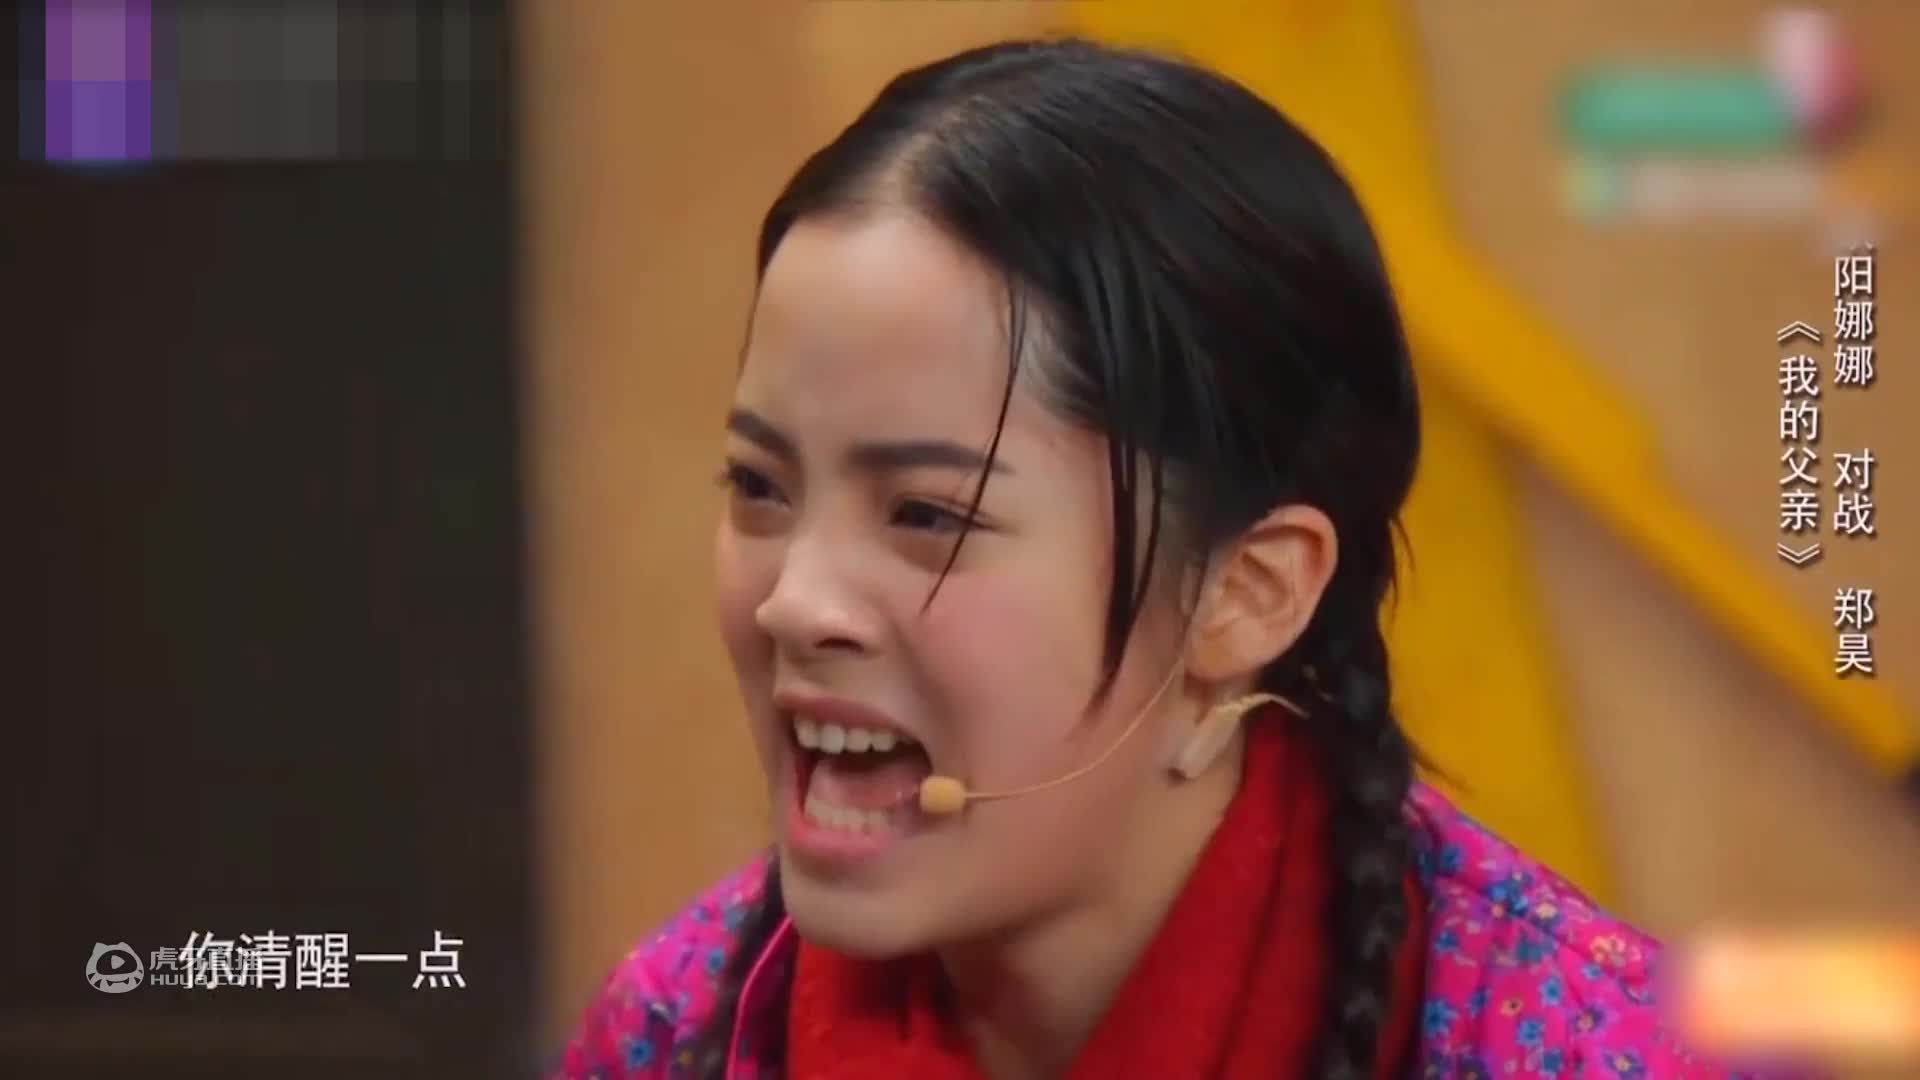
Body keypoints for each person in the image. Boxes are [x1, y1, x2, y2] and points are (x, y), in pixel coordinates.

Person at [555, 37, 1748, 1080]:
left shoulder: (1603, 1053)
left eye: (926, 515)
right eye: (759, 488)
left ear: (1248, 592)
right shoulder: (676, 1030)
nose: (794, 600)